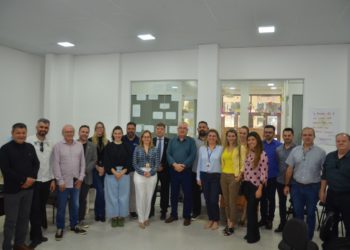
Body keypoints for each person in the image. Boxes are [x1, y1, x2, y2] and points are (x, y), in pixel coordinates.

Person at [0, 123, 39, 250]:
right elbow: (6, 170)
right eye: (18, 133)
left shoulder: (30, 147)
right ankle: (6, 246)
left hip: (29, 190)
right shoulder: (5, 149)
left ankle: (19, 244)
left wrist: (31, 179)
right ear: (12, 133)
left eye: (23, 133)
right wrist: (23, 180)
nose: (21, 135)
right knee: (11, 221)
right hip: (13, 191)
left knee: (24, 218)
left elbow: (36, 164)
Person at [284, 127, 326, 240]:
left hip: (313, 188)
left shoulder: (321, 153)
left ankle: (308, 238)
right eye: (305, 135)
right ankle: (299, 236)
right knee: (298, 213)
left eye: (310, 135)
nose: (307, 137)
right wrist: (287, 185)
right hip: (296, 186)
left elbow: (325, 173)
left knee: (311, 213)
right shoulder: (295, 150)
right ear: (301, 136)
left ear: (314, 136)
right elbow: (289, 169)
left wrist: (322, 190)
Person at [53, 124, 87, 241]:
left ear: (74, 133)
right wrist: (60, 181)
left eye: (71, 131)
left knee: (75, 205)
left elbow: (83, 163)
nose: (69, 133)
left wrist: (81, 178)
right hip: (63, 182)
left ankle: (74, 225)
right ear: (63, 133)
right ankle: (60, 227)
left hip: (76, 181)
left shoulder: (79, 146)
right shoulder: (58, 146)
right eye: (67, 132)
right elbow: (55, 164)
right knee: (61, 206)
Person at [27, 118, 55, 248]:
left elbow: (52, 163)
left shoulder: (50, 143)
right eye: (41, 127)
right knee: (34, 209)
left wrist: (53, 179)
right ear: (36, 127)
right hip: (34, 180)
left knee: (41, 207)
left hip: (46, 180)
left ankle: (36, 233)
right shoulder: (28, 140)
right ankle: (35, 236)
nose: (43, 129)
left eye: (46, 127)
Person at [320, 132, 350, 238]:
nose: (340, 143)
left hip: (347, 196)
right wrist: (322, 191)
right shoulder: (330, 156)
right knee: (331, 223)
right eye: (338, 141)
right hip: (332, 195)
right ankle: (333, 245)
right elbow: (324, 176)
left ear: (349, 142)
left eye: (344, 141)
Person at [165, 122, 196, 226]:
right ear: (177, 130)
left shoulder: (191, 141)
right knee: (173, 193)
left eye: (184, 128)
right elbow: (168, 154)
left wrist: (183, 165)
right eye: (180, 128)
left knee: (187, 194)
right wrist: (174, 164)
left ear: (187, 130)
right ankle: (174, 214)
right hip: (174, 170)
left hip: (186, 171)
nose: (182, 130)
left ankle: (187, 216)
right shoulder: (172, 141)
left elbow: (192, 155)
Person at [242, 131, 268, 244]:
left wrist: (260, 189)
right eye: (249, 140)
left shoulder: (262, 154)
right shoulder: (249, 153)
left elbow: (264, 174)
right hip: (247, 185)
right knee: (249, 211)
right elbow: (246, 169)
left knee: (252, 212)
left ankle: (254, 237)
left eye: (253, 139)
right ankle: (250, 233)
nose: (250, 142)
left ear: (257, 141)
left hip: (256, 187)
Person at [103, 126, 132, 227]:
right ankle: (114, 216)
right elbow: (106, 161)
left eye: (119, 133)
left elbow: (130, 160)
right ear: (113, 134)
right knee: (112, 196)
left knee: (123, 196)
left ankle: (121, 216)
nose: (118, 135)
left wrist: (122, 171)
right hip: (111, 174)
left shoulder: (127, 146)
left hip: (124, 173)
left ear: (122, 134)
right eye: (116, 133)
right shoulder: (108, 146)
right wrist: (115, 172)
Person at [220, 128, 246, 236]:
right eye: (229, 136)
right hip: (223, 176)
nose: (231, 138)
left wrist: (239, 176)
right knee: (226, 201)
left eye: (233, 136)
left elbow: (244, 163)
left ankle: (231, 225)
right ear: (226, 137)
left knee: (232, 202)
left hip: (234, 177)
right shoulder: (224, 148)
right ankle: (228, 221)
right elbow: (222, 162)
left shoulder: (241, 148)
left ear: (236, 137)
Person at [197, 129, 223, 230]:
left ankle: (216, 220)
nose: (211, 137)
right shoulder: (202, 149)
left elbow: (222, 164)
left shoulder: (221, 148)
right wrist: (198, 177)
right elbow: (199, 163)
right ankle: (210, 219)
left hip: (216, 176)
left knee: (214, 199)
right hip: (204, 175)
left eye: (214, 136)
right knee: (207, 199)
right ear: (207, 138)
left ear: (217, 138)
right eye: (210, 136)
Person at [133, 130, 159, 229]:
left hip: (152, 175)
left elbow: (157, 164)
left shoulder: (155, 149)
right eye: (145, 137)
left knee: (149, 197)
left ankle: (146, 217)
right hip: (140, 175)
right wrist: (143, 172)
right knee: (141, 197)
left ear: (150, 138)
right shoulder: (137, 148)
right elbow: (134, 164)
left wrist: (151, 172)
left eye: (148, 137)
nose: (147, 138)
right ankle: (140, 219)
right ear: (142, 138)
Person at [259, 125, 281, 229]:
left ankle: (270, 220)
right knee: (262, 199)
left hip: (273, 176)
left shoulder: (279, 145)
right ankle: (263, 219)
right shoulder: (260, 145)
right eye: (266, 132)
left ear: (274, 133)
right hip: (261, 177)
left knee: (271, 199)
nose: (268, 134)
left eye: (270, 132)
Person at [274, 128, 296, 233]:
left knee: (295, 205)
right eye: (285, 135)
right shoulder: (278, 149)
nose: (287, 137)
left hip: (295, 182)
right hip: (280, 180)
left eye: (289, 135)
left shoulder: (297, 149)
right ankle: (282, 223)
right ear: (283, 136)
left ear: (293, 136)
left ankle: (295, 226)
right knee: (282, 204)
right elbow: (278, 164)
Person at [77, 125, 97, 228]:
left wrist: (84, 170)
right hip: (74, 177)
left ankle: (81, 219)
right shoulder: (73, 144)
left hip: (86, 176)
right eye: (83, 131)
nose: (84, 133)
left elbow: (94, 160)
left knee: (82, 199)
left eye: (86, 132)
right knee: (74, 199)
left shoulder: (92, 146)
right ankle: (73, 218)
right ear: (79, 132)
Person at [150, 122, 170, 220]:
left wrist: (163, 166)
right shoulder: (151, 141)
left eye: (161, 129)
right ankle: (151, 210)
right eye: (158, 129)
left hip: (165, 171)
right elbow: (148, 156)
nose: (159, 130)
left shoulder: (169, 141)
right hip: (153, 171)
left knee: (164, 191)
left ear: (164, 130)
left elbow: (170, 156)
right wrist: (155, 166)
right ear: (155, 130)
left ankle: (163, 211)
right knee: (152, 191)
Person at [89, 121, 109, 222]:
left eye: (101, 127)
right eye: (97, 127)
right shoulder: (90, 141)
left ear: (103, 129)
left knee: (103, 192)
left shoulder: (107, 142)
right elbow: (89, 158)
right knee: (100, 191)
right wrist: (97, 167)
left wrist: (104, 168)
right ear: (95, 129)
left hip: (104, 171)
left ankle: (101, 213)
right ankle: (99, 213)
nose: (99, 129)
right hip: (94, 170)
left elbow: (109, 158)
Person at [122, 121, 140, 219]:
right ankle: (124, 210)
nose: (130, 130)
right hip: (123, 171)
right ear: (126, 129)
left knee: (133, 192)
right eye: (129, 129)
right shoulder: (122, 139)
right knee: (124, 192)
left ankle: (132, 210)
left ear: (135, 129)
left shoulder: (139, 140)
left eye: (132, 129)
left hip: (134, 171)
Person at [192, 121, 209, 219]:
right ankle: (196, 211)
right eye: (200, 127)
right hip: (195, 169)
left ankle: (210, 212)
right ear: (198, 129)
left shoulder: (211, 139)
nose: (202, 128)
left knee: (208, 193)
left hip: (208, 171)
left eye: (204, 127)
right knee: (195, 193)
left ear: (207, 128)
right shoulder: (193, 141)